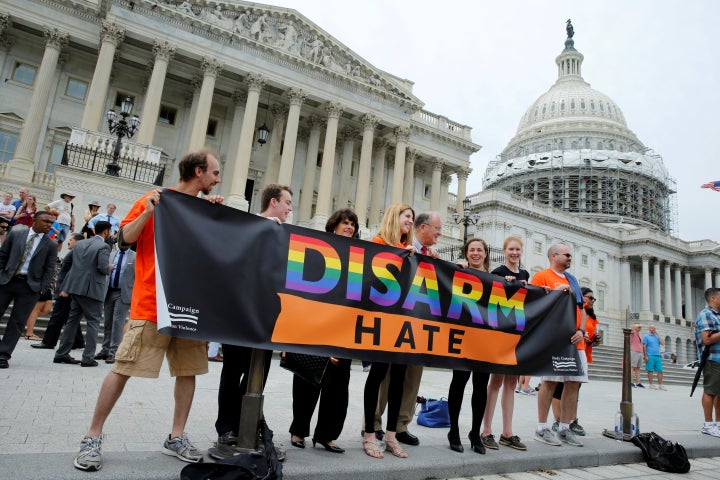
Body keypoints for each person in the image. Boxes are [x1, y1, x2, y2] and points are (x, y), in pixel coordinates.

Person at [72, 150, 223, 472]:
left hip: (190, 306)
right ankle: (92, 435)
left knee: (188, 371)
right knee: (122, 367)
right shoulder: (155, 199)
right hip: (151, 302)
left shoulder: (203, 208)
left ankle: (177, 436)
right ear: (199, 171)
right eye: (215, 173)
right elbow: (125, 239)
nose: (218, 179)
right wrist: (148, 213)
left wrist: (218, 216)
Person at [213, 184, 292, 455]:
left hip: (268, 314)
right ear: (273, 202)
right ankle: (226, 428)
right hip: (239, 312)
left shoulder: (285, 235)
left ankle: (248, 423)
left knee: (259, 374)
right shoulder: (247, 226)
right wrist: (259, 227)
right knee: (233, 370)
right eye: (287, 203)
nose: (290, 208)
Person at [289, 209, 358, 454]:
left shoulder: (360, 257)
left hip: (344, 328)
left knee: (339, 388)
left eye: (353, 224)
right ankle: (298, 430)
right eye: (345, 223)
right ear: (333, 226)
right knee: (307, 377)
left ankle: (327, 435)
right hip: (317, 324)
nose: (349, 227)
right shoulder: (318, 249)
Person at [372, 212, 442, 447]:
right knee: (386, 375)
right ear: (424, 227)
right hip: (394, 319)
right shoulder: (401, 245)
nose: (440, 234)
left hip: (419, 323)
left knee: (413, 377)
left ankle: (401, 425)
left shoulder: (432, 255)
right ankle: (374, 423)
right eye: (437, 229)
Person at [362, 204, 416, 460]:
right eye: (407, 217)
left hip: (403, 320)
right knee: (378, 374)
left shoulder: (411, 249)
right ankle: (370, 434)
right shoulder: (378, 242)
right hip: (382, 318)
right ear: (395, 217)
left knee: (399, 378)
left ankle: (392, 435)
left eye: (413, 219)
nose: (410, 221)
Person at [531, 243, 588, 448]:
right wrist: (556, 291)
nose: (570, 258)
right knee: (550, 382)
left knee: (573, 383)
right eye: (567, 255)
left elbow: (583, 309)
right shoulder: (542, 277)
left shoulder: (573, 281)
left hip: (575, 340)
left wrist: (581, 331)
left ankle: (565, 427)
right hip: (554, 339)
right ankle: (541, 427)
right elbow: (534, 304)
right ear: (554, 256)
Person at [481, 236, 530, 451]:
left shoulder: (526, 274)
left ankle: (507, 432)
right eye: (511, 249)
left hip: (517, 333)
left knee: (511, 382)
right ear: (504, 250)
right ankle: (486, 430)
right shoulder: (498, 272)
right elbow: (489, 296)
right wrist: (504, 284)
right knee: (496, 381)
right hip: (500, 332)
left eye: (517, 249)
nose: (514, 253)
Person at [447, 238, 492, 454]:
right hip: (462, 337)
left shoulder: (496, 279)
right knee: (459, 382)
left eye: (479, 250)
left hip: (484, 339)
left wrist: (511, 282)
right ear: (466, 253)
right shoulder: (459, 272)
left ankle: (475, 433)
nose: (475, 253)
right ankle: (453, 430)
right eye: (472, 250)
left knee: (481, 386)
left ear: (485, 254)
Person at [0, 210, 58, 368]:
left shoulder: (50, 244)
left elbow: (50, 268)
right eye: (46, 221)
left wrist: (41, 288)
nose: (49, 225)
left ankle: (3, 355)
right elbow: (3, 255)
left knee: (17, 322)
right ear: (34, 220)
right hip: (7, 281)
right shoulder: (16, 234)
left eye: (51, 223)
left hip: (29, 287)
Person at [52, 221, 112, 366]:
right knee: (93, 322)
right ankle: (88, 357)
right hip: (92, 290)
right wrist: (110, 267)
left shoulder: (81, 244)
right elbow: (103, 268)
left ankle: (61, 353)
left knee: (72, 321)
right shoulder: (103, 246)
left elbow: (68, 262)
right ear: (105, 232)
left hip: (76, 287)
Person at [549, 287, 598, 437]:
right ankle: (558, 419)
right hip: (569, 349)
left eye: (593, 299)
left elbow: (589, 334)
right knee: (560, 387)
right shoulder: (574, 309)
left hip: (583, 350)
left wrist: (593, 341)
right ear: (581, 297)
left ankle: (571, 419)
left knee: (575, 389)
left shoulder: (592, 317)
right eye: (590, 297)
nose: (592, 301)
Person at [30, 233, 85, 350]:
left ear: (78, 242)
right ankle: (78, 342)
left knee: (57, 316)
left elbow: (73, 273)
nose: (69, 242)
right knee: (66, 316)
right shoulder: (75, 253)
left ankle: (48, 342)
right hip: (65, 289)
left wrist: (65, 289)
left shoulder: (76, 253)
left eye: (71, 240)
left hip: (65, 291)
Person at [94, 246, 136, 364]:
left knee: (118, 322)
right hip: (108, 291)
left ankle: (114, 352)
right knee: (107, 322)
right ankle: (105, 349)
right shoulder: (111, 254)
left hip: (123, 293)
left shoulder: (135, 256)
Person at [695, 287, 720, 437]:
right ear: (713, 298)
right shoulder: (706, 314)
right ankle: (708, 424)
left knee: (719, 393)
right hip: (712, 358)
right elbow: (707, 339)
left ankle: (718, 423)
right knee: (710, 391)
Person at [643, 324, 666, 390]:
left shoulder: (657, 337)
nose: (654, 329)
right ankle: (651, 384)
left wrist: (658, 335)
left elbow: (663, 343)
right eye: (652, 328)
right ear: (649, 329)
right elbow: (644, 346)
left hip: (657, 355)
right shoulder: (646, 336)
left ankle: (660, 385)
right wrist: (645, 356)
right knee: (650, 370)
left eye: (654, 328)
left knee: (660, 370)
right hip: (650, 355)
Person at [630, 323, 645, 388]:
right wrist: (636, 326)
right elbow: (632, 327)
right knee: (632, 367)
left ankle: (638, 382)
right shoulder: (633, 332)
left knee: (638, 368)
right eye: (638, 327)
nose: (640, 328)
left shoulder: (640, 334)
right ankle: (631, 382)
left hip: (640, 351)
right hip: (634, 351)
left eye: (640, 328)